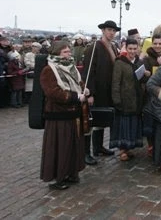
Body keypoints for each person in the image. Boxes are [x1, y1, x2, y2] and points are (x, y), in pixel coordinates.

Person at [40, 41, 88, 190]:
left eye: (69, 51)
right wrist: (75, 97)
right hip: (58, 115)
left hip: (74, 113)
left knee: (73, 145)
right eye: (65, 52)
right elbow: (53, 92)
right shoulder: (49, 70)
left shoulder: (72, 68)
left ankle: (72, 173)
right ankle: (59, 178)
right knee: (60, 147)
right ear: (56, 53)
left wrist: (85, 90)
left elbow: (79, 83)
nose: (69, 54)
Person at [82, 20, 120, 165]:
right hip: (95, 91)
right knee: (90, 122)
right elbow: (88, 71)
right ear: (103, 31)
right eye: (109, 30)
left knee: (101, 119)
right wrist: (89, 93)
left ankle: (98, 147)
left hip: (106, 90)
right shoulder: (94, 47)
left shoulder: (114, 47)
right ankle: (86, 152)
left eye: (113, 31)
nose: (111, 33)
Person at [110, 38, 145, 161]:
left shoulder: (140, 62)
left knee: (132, 124)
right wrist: (116, 100)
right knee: (123, 126)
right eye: (130, 48)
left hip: (136, 100)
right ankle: (122, 150)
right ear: (126, 48)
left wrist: (146, 76)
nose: (132, 51)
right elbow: (115, 82)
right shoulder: (120, 62)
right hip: (124, 99)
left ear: (138, 49)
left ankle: (129, 148)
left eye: (135, 49)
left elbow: (141, 81)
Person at [142, 34, 161, 157]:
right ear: (152, 44)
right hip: (151, 95)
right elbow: (143, 78)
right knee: (150, 122)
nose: (157, 46)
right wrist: (146, 74)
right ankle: (151, 145)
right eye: (155, 43)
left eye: (160, 43)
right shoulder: (146, 58)